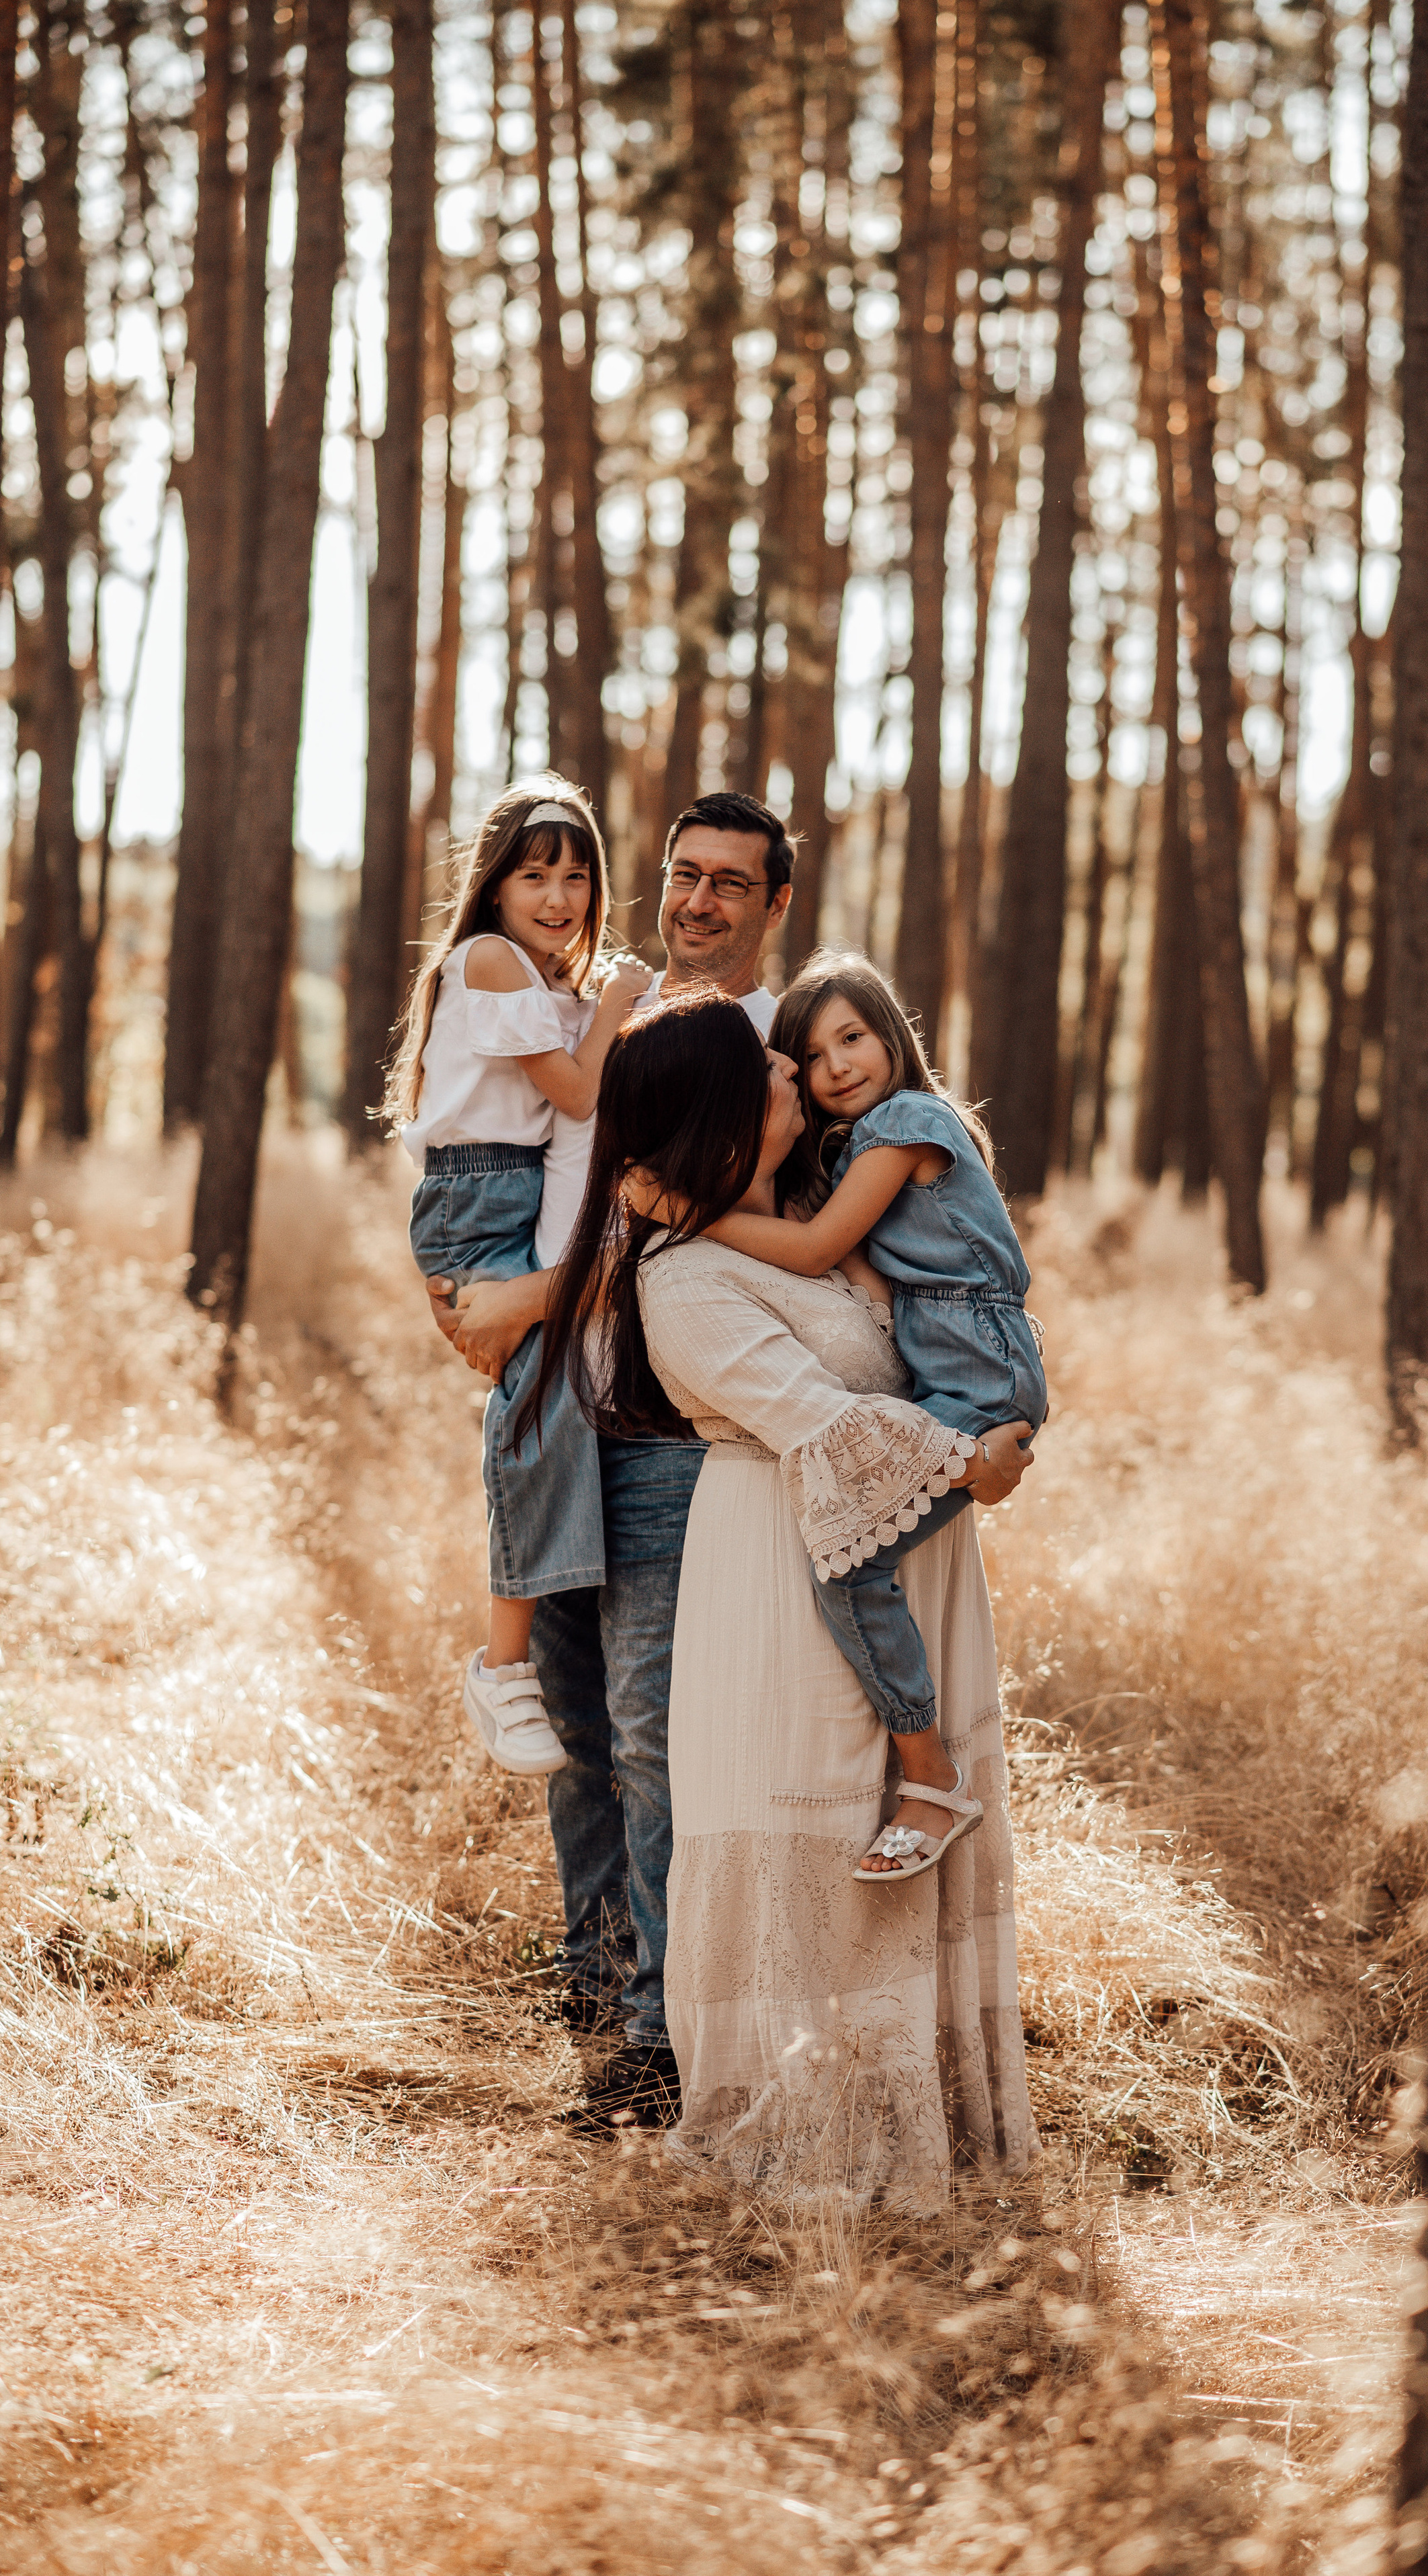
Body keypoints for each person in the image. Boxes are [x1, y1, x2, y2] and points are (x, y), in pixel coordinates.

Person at [537, 992, 1041, 2206]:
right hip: (781, 1568)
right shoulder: (685, 1280)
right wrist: (973, 1460)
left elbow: (936, 1325)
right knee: (812, 1817)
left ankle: (924, 2115)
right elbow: (822, 1423)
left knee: (901, 1819)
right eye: (764, 1068)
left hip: (902, 1552)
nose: (791, 1070)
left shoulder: (828, 1208)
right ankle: (807, 2130)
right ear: (716, 1117)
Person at [429, 791, 795, 2124]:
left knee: (650, 1732)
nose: (695, 901)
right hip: (557, 1416)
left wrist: (532, 1299)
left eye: (729, 885)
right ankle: (597, 1981)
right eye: (681, 875)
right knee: (578, 1733)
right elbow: (514, 1159)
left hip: (667, 1435)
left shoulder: (767, 1045)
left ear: (774, 907)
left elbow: (680, 1225)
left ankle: (664, 2029)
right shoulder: (606, 1022)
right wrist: (467, 1290)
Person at [705, 951, 1047, 1881]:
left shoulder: (907, 1122)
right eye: (813, 1057)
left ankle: (931, 1778)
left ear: (892, 1034)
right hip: (953, 1378)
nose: (838, 1067)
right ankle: (922, 1764)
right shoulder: (858, 1151)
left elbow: (815, 1247)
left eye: (852, 1037)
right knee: (859, 1552)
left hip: (977, 1386)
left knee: (853, 1561)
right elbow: (844, 1268)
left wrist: (692, 1215)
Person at [389, 778, 650, 1772]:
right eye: (536, 872)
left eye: (578, 875)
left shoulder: (545, 988)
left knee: (560, 1406)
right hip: (477, 1199)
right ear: (495, 885)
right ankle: (501, 1667)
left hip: (507, 1201)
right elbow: (577, 1092)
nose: (560, 895)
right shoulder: (493, 961)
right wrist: (621, 998)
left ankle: (518, 1654)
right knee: (542, 1402)